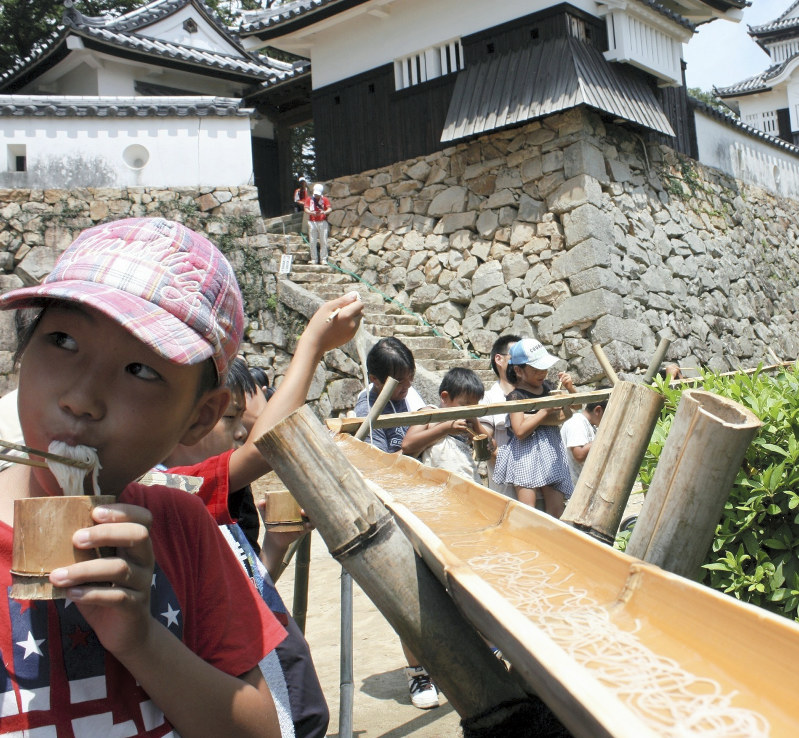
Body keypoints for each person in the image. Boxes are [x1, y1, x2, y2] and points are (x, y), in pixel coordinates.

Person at [0, 217, 286, 736]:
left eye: (141, 371)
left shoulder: (182, 526)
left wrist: (141, 641)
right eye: (62, 340)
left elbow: (261, 729)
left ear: (200, 417)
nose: (81, 399)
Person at [162, 357, 330, 738]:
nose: (241, 432)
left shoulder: (213, 510)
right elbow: (262, 449)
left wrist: (273, 546)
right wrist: (313, 346)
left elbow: (244, 593)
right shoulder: (172, 493)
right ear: (189, 420)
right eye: (229, 417)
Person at [353, 337, 439, 710]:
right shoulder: (367, 405)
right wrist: (440, 428)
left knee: (440, 588)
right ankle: (417, 672)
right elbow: (391, 457)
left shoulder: (410, 395)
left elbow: (417, 434)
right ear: (375, 379)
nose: (406, 389)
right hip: (391, 508)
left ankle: (453, 659)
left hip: (422, 500)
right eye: (399, 383)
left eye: (409, 380)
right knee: (410, 594)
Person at [492, 338, 577, 519]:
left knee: (556, 511)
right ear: (518, 370)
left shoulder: (548, 388)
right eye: (536, 369)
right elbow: (520, 430)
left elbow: (576, 407)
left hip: (551, 449)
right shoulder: (516, 396)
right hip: (525, 453)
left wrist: (570, 388)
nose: (542, 374)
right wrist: (545, 410)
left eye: (544, 369)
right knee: (528, 511)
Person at [403, 367, 490, 484]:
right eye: (464, 405)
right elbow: (407, 445)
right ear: (445, 397)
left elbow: (490, 448)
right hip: (439, 486)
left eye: (474, 407)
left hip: (467, 484)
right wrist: (446, 428)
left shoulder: (468, 422)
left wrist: (476, 424)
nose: (469, 410)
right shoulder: (430, 413)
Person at [480, 334, 520, 497]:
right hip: (505, 490)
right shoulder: (489, 398)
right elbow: (484, 442)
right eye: (516, 355)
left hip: (541, 487)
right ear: (499, 359)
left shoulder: (534, 393)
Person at [560, 395, 608, 487]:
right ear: (598, 410)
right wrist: (605, 434)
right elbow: (579, 455)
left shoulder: (590, 425)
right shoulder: (577, 422)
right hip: (574, 488)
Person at [304, 184, 332, 265]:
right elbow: (306, 208)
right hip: (312, 221)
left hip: (322, 221)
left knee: (324, 240)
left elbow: (329, 208)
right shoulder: (309, 199)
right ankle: (314, 259)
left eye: (318, 194)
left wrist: (324, 212)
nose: (317, 196)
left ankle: (323, 259)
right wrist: (310, 212)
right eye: (316, 194)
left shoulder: (325, 199)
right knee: (312, 241)